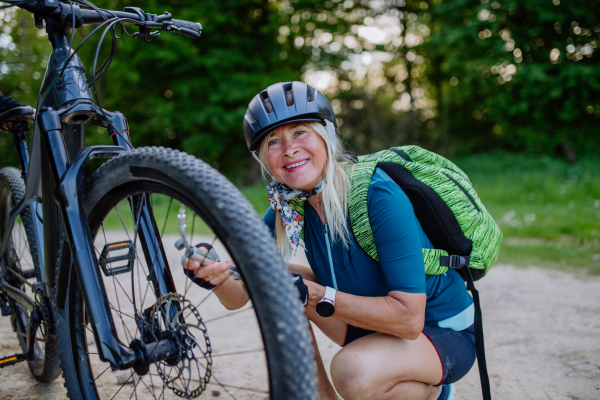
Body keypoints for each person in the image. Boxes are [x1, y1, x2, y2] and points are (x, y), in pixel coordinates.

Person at [184, 82, 476, 400]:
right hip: (370, 328)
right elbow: (239, 296)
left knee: (352, 372)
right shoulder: (287, 204)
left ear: (326, 135)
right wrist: (215, 274)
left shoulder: (377, 194)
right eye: (274, 142)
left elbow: (409, 320)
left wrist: (314, 295)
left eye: (300, 133)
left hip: (438, 330)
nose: (289, 149)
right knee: (279, 282)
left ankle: (433, 390)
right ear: (263, 158)